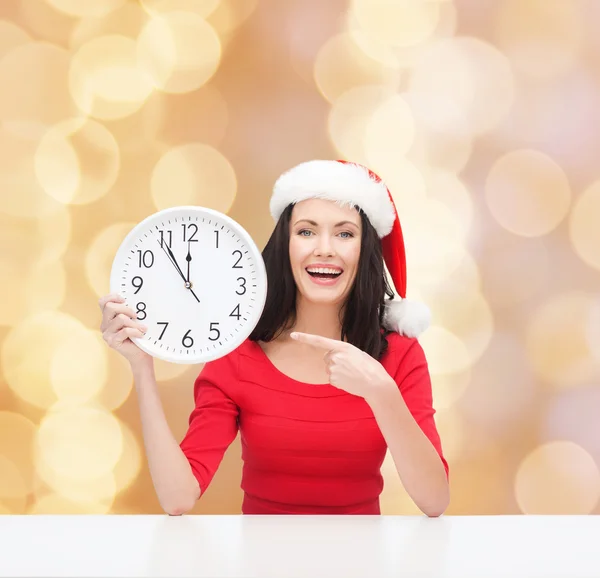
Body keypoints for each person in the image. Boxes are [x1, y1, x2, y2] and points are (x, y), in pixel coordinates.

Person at [99, 159, 449, 517]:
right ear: (285, 244)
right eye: (306, 231)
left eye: (345, 233)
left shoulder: (401, 353)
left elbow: (434, 501)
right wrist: (141, 366)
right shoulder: (237, 352)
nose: (324, 248)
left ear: (365, 249)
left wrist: (381, 392)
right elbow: (178, 497)